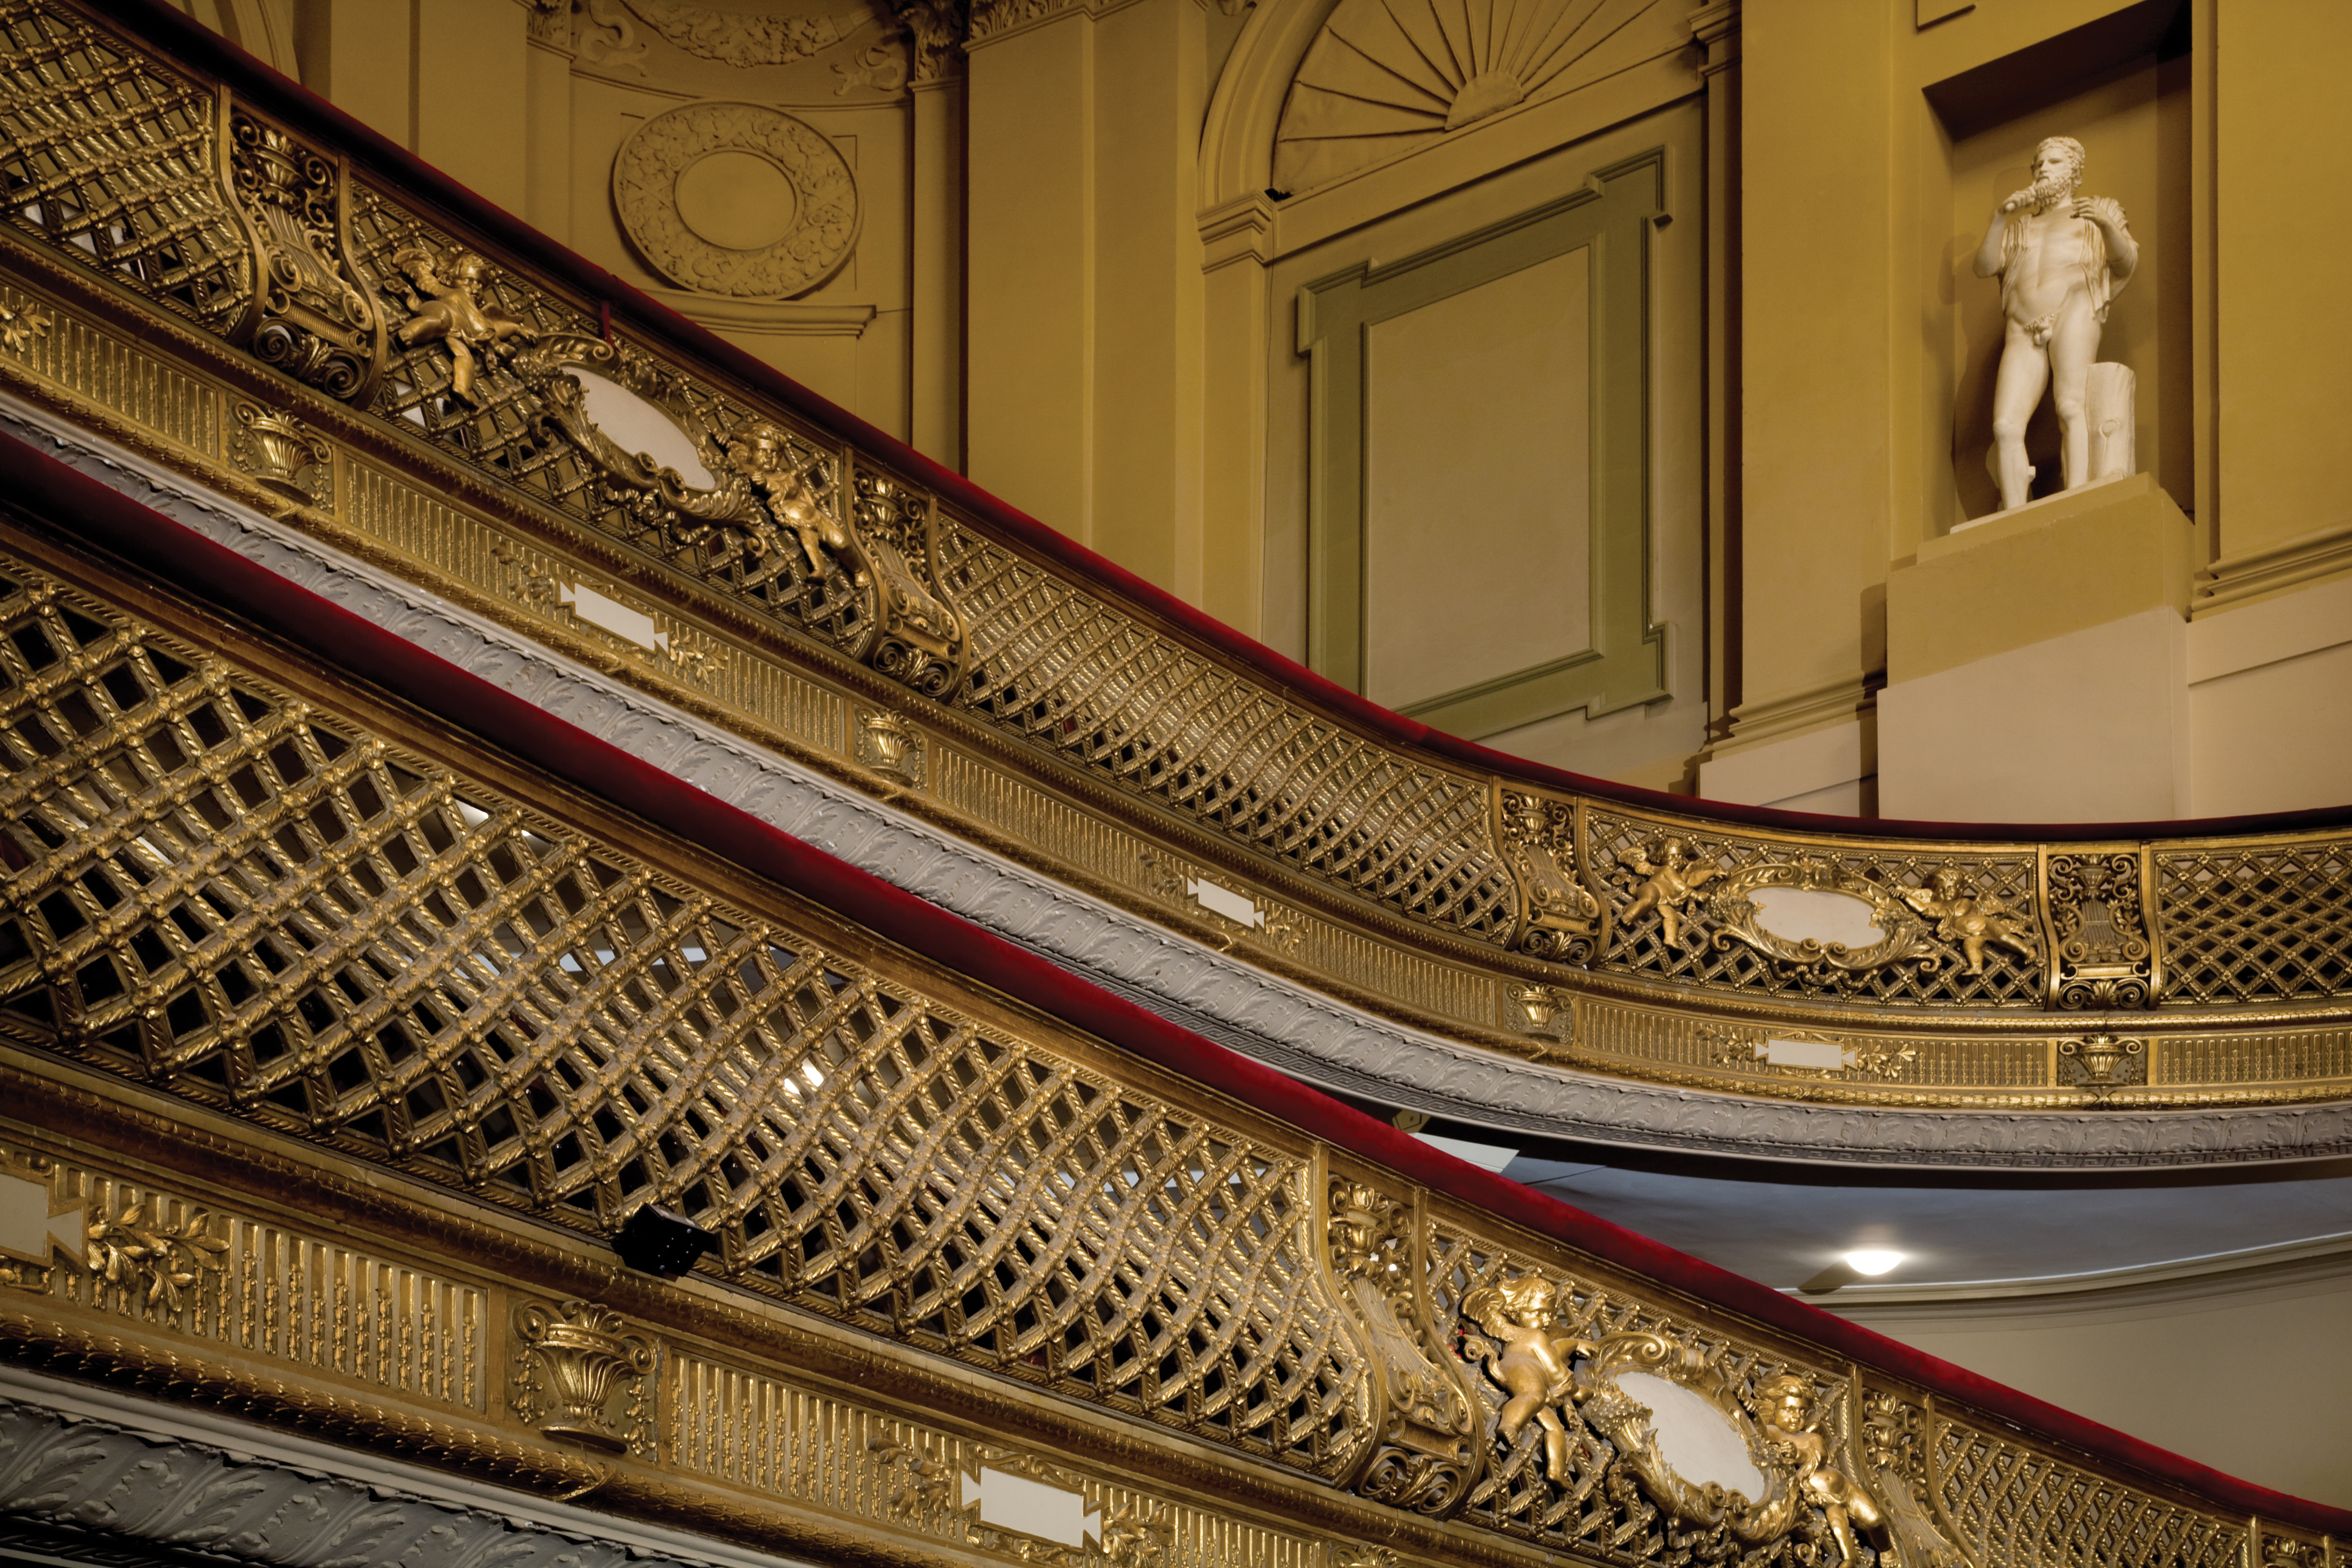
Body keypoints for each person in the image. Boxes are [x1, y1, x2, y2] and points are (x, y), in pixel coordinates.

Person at [1971, 136, 2137, 510]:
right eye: (2039, 163)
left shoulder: (2098, 212)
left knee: (2071, 406)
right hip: (2021, 324)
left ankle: (2075, 496)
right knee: (2005, 427)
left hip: (2073, 311)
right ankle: (2014, 512)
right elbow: (1984, 267)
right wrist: (2000, 217)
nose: (2044, 168)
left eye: (2055, 161)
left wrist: (2107, 225)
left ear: (2075, 173)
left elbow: (2125, 263)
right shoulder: (2019, 228)